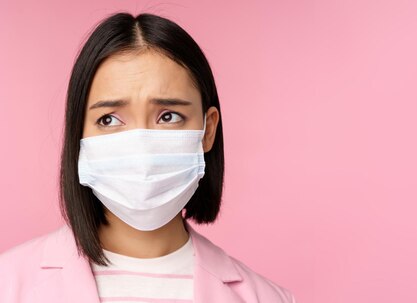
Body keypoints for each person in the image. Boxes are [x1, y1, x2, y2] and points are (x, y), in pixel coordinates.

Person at [0, 12, 295, 303]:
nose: (141, 148)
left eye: (168, 116)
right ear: (79, 134)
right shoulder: (8, 283)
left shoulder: (269, 298)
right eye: (109, 119)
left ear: (208, 130)